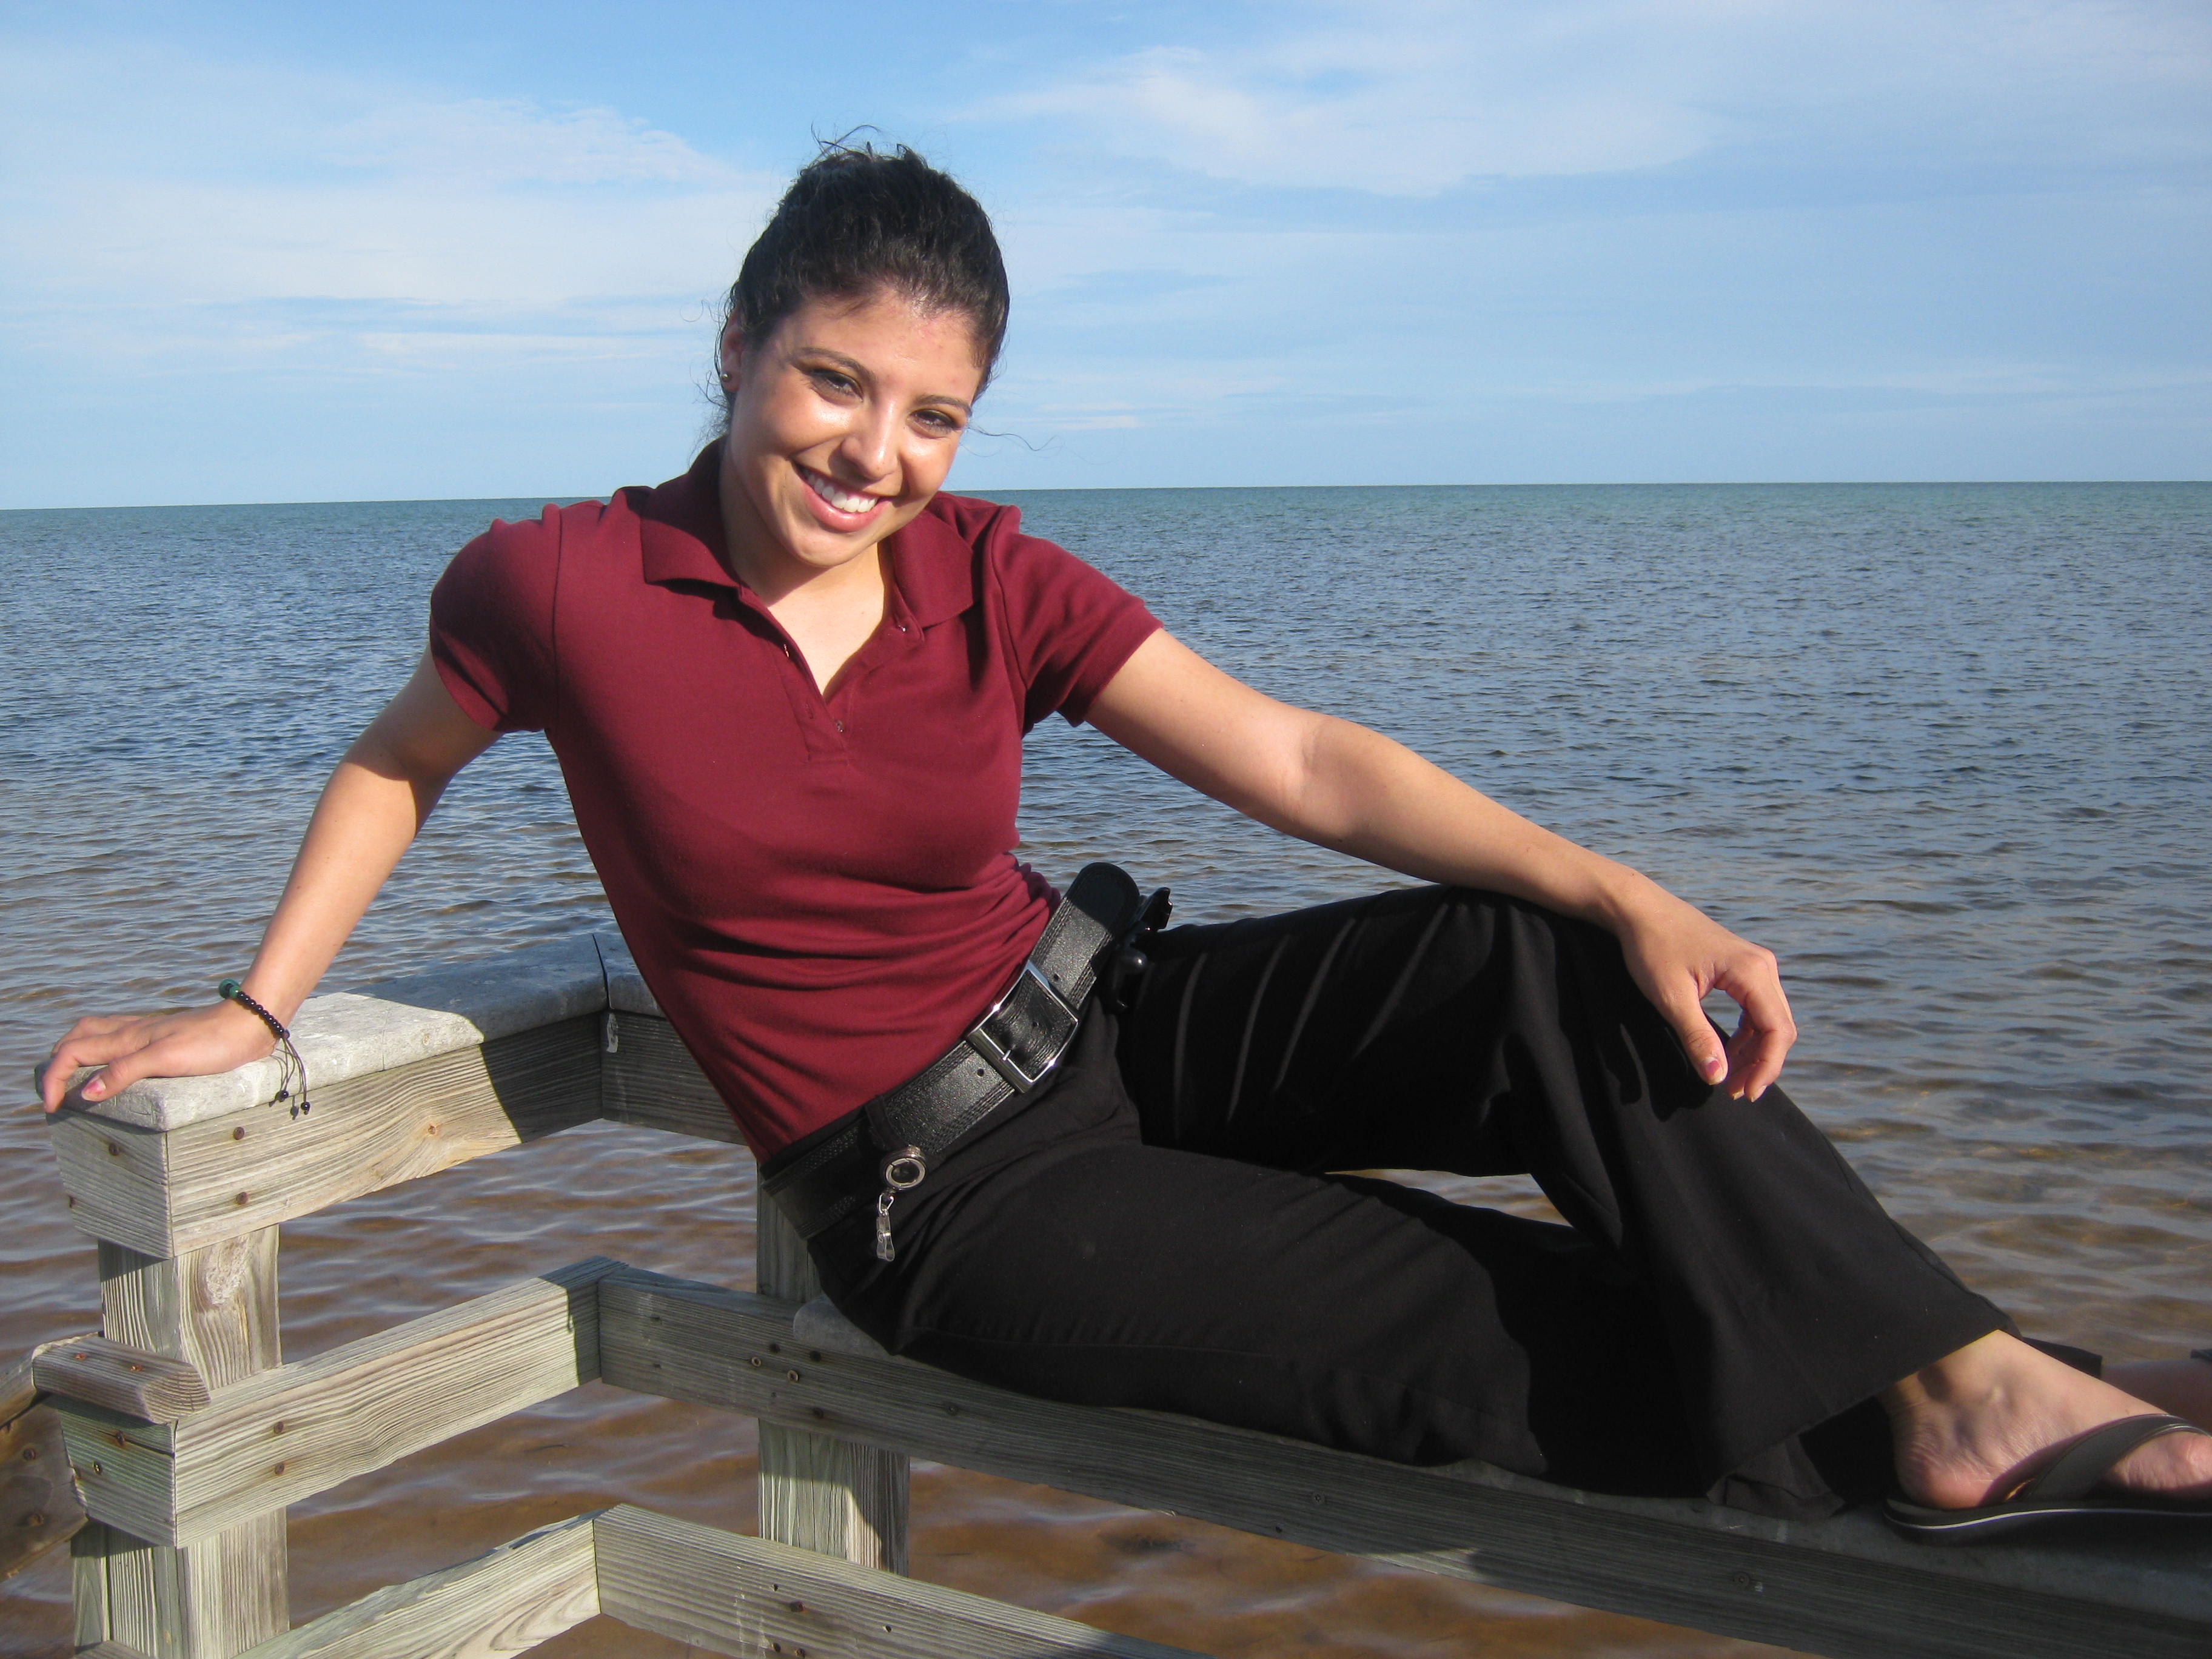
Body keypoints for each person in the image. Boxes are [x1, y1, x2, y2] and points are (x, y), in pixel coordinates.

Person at [38, 142, 2212, 1541]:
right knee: (1462, 1337)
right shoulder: (562, 585)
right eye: (831, 385)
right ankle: (1954, 1426)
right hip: (952, 1199)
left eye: (930, 415)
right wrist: (256, 1007)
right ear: (733, 351)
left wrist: (1629, 887)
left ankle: (1984, 1375)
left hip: (1111, 1016)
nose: (873, 453)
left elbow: (1302, 764)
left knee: (1539, 962)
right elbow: (400, 760)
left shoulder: (994, 576)